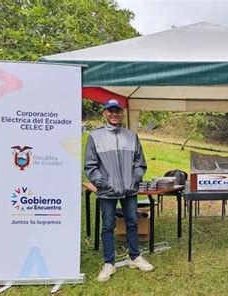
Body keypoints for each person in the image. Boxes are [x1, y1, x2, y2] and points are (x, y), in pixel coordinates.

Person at [85, 99, 154, 283]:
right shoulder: (95, 136)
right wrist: (103, 183)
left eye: (117, 111)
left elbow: (140, 163)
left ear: (122, 113)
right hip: (107, 191)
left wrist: (134, 179)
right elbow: (90, 166)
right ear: (104, 113)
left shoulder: (131, 136)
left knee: (132, 222)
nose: (114, 114)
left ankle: (135, 257)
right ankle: (109, 263)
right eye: (111, 111)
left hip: (129, 190)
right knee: (108, 226)